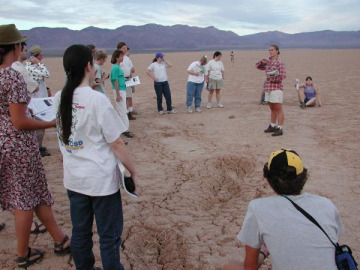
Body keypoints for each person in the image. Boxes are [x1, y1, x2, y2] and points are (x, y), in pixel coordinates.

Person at [54, 44, 137, 270]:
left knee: (80, 233)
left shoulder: (59, 97)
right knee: (109, 237)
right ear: (89, 66)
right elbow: (116, 142)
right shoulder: (96, 100)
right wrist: (133, 171)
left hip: (74, 180)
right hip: (101, 183)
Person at [0, 24, 70, 269]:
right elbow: (19, 122)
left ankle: (59, 238)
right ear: (15, 47)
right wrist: (51, 123)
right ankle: (22, 254)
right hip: (18, 147)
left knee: (38, 193)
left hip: (5, 144)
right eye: (20, 44)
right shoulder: (11, 76)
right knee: (23, 201)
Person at [223, 149, 344, 270]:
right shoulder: (326, 204)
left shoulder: (258, 207)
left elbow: (250, 267)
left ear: (269, 181)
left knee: (229, 267)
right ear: (303, 178)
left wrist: (263, 254)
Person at [26, 44, 52, 155]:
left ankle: (39, 147)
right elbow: (47, 73)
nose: (42, 57)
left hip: (40, 98)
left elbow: (40, 80)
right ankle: (37, 149)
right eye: (40, 55)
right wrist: (39, 63)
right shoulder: (30, 67)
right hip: (36, 100)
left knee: (41, 126)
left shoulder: (34, 67)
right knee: (39, 125)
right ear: (36, 56)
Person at [256, 45, 286, 136]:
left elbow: (283, 76)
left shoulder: (280, 62)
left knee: (278, 108)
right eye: (269, 50)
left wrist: (272, 77)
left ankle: (280, 128)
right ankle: (272, 125)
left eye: (272, 50)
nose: (270, 51)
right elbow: (258, 67)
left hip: (276, 87)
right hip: (268, 87)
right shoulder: (268, 62)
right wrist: (261, 62)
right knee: (272, 108)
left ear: (277, 51)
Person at [110, 49, 133, 138]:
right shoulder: (115, 67)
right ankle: (125, 129)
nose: (123, 58)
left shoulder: (118, 67)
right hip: (119, 90)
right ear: (116, 57)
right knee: (122, 110)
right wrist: (118, 94)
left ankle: (121, 128)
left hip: (122, 88)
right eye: (121, 56)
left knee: (120, 110)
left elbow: (119, 79)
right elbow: (115, 80)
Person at [117, 42, 136, 120]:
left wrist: (131, 70)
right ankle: (127, 113)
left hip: (129, 78)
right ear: (119, 49)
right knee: (125, 97)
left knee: (129, 96)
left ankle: (129, 112)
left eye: (126, 48)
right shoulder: (118, 58)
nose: (125, 49)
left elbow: (132, 68)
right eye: (123, 48)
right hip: (122, 79)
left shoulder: (127, 58)